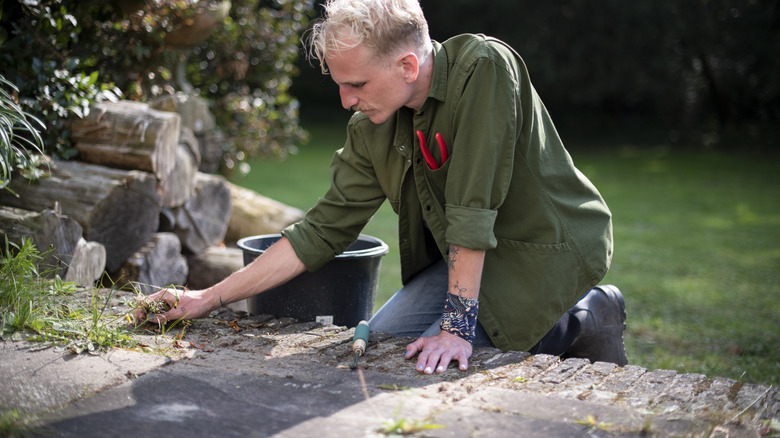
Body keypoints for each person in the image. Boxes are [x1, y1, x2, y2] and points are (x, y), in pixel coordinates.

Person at [135, 0, 628, 373]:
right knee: (381, 350)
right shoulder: (373, 126)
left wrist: (457, 330)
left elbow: (471, 209)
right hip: (470, 258)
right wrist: (204, 299)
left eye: (357, 85)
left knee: (443, 367)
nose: (346, 100)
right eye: (339, 85)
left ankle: (589, 314)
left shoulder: (483, 69)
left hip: (546, 247)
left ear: (407, 67)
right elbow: (321, 230)